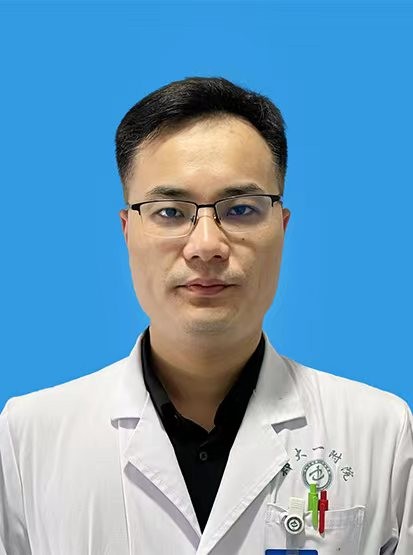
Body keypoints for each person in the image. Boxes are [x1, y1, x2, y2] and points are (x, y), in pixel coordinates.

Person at [0, 77, 412, 555]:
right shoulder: (28, 439)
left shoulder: (380, 434)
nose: (206, 246)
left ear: (282, 229)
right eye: (170, 212)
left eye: (241, 209)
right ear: (127, 231)